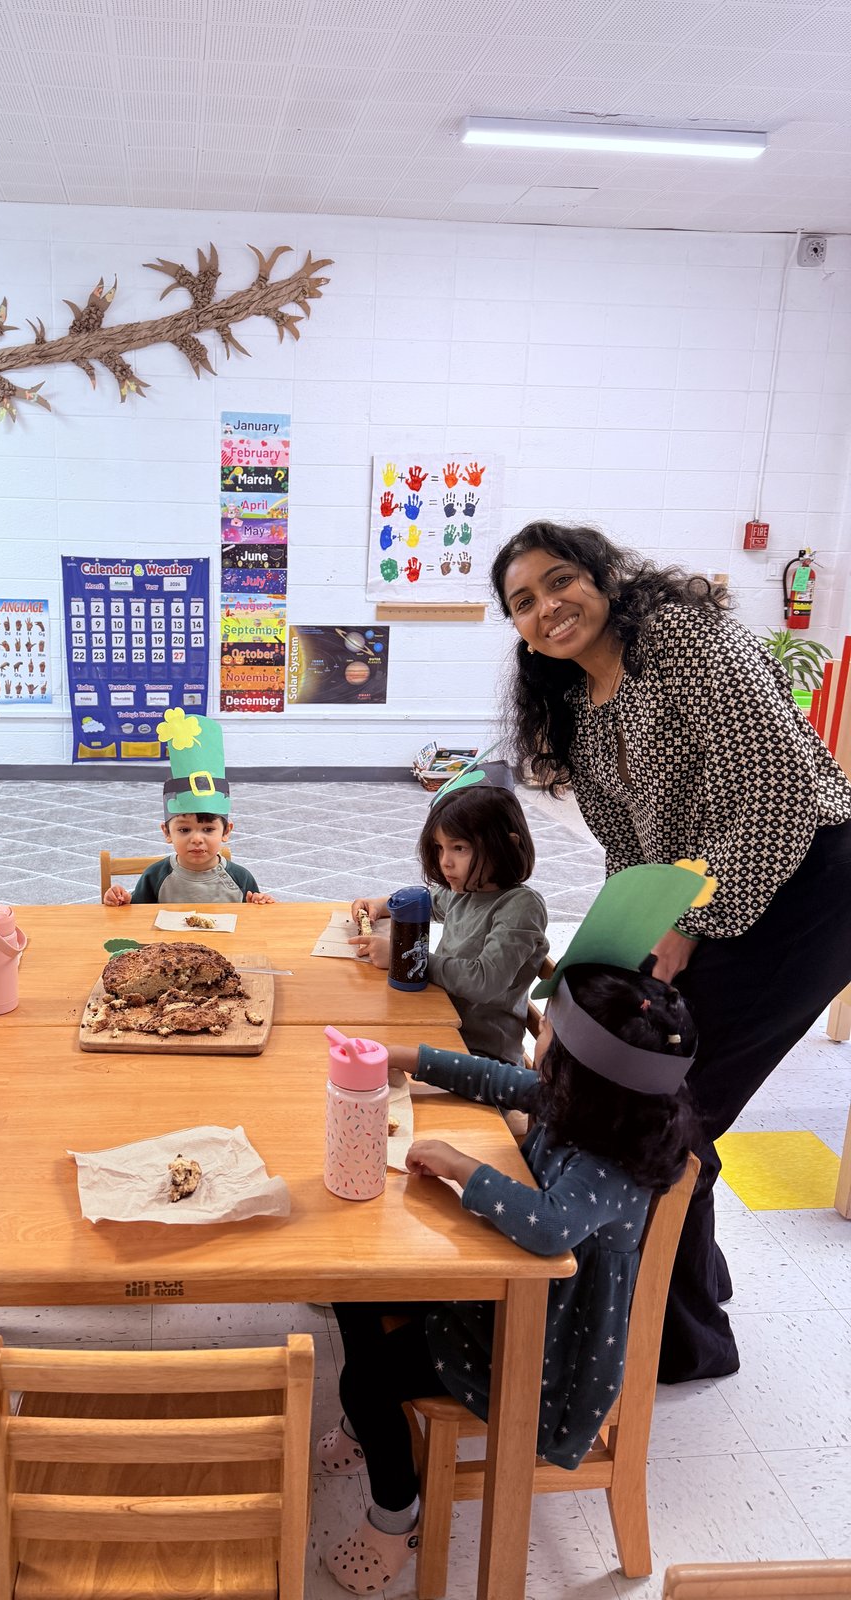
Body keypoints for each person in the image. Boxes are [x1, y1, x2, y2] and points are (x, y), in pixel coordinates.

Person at [490, 522, 851, 1382]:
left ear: (604, 576)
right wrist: (591, 977)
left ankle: (676, 1341)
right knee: (634, 1078)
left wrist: (685, 926)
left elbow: (780, 793)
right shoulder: (577, 703)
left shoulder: (683, 640)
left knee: (666, 1105)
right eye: (524, 603)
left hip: (807, 886)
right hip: (706, 896)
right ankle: (689, 1281)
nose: (548, 608)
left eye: (560, 581)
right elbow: (632, 861)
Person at [318, 862, 705, 1594]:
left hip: (536, 1351)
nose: (536, 1050)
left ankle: (394, 1515)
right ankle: (369, 1431)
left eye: (547, 1042)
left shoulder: (609, 1163)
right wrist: (400, 1057)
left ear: (585, 1075)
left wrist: (466, 1166)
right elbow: (500, 1081)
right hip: (501, 1297)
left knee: (366, 1376)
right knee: (354, 1286)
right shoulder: (593, 1105)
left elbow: (550, 1227)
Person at [350, 764, 547, 1063]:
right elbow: (426, 901)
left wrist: (403, 957)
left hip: (480, 1056)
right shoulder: (468, 890)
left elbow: (485, 981)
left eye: (460, 848)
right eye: (440, 848)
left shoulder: (520, 907)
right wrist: (381, 905)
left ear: (506, 846)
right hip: (440, 1022)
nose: (446, 862)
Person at [102, 708, 275, 906]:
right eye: (184, 829)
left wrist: (262, 903)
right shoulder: (155, 876)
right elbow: (135, 914)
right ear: (167, 832)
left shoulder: (240, 878)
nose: (196, 839)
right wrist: (121, 900)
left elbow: (256, 921)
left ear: (226, 831)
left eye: (208, 829)